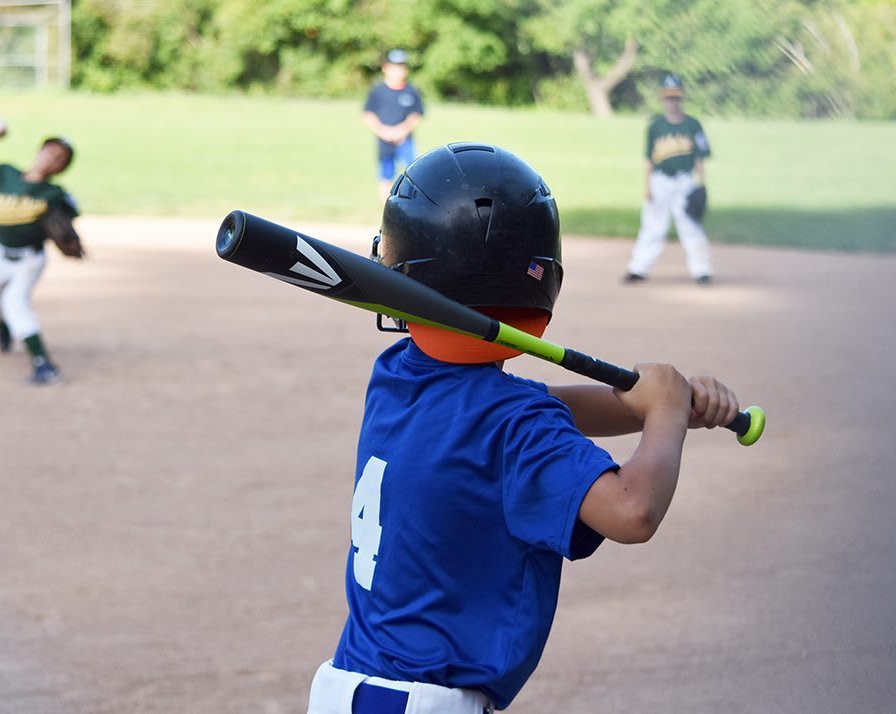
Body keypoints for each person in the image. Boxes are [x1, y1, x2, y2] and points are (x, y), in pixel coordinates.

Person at [306, 143, 742, 714]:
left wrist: (653, 404)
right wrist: (661, 416)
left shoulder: (397, 378)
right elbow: (632, 512)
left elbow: (536, 409)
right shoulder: (515, 428)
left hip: (350, 689)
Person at [0, 121, 79, 385]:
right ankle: (2, 329)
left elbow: (71, 218)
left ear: (62, 167)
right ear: (40, 151)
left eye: (60, 157)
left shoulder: (54, 193)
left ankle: (44, 366)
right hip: (2, 257)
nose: (52, 157)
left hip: (30, 260)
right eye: (50, 150)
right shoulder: (5, 176)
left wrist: (68, 232)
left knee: (15, 303)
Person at [625, 73, 714, 285]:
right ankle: (638, 268)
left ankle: (702, 270)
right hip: (660, 181)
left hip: (685, 182)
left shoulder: (693, 125)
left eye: (675, 97)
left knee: (691, 226)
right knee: (652, 226)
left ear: (682, 97)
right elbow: (649, 159)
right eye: (668, 97)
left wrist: (701, 184)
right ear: (662, 98)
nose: (672, 101)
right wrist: (647, 186)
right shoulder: (655, 126)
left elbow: (700, 158)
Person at [363, 49, 425, 199]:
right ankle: (386, 205)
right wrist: (382, 131)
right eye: (394, 66)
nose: (398, 71)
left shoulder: (411, 90)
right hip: (384, 138)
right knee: (385, 174)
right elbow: (368, 113)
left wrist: (402, 130)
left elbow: (416, 114)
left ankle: (413, 204)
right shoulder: (378, 90)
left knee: (414, 172)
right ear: (385, 68)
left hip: (405, 139)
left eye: (401, 67)